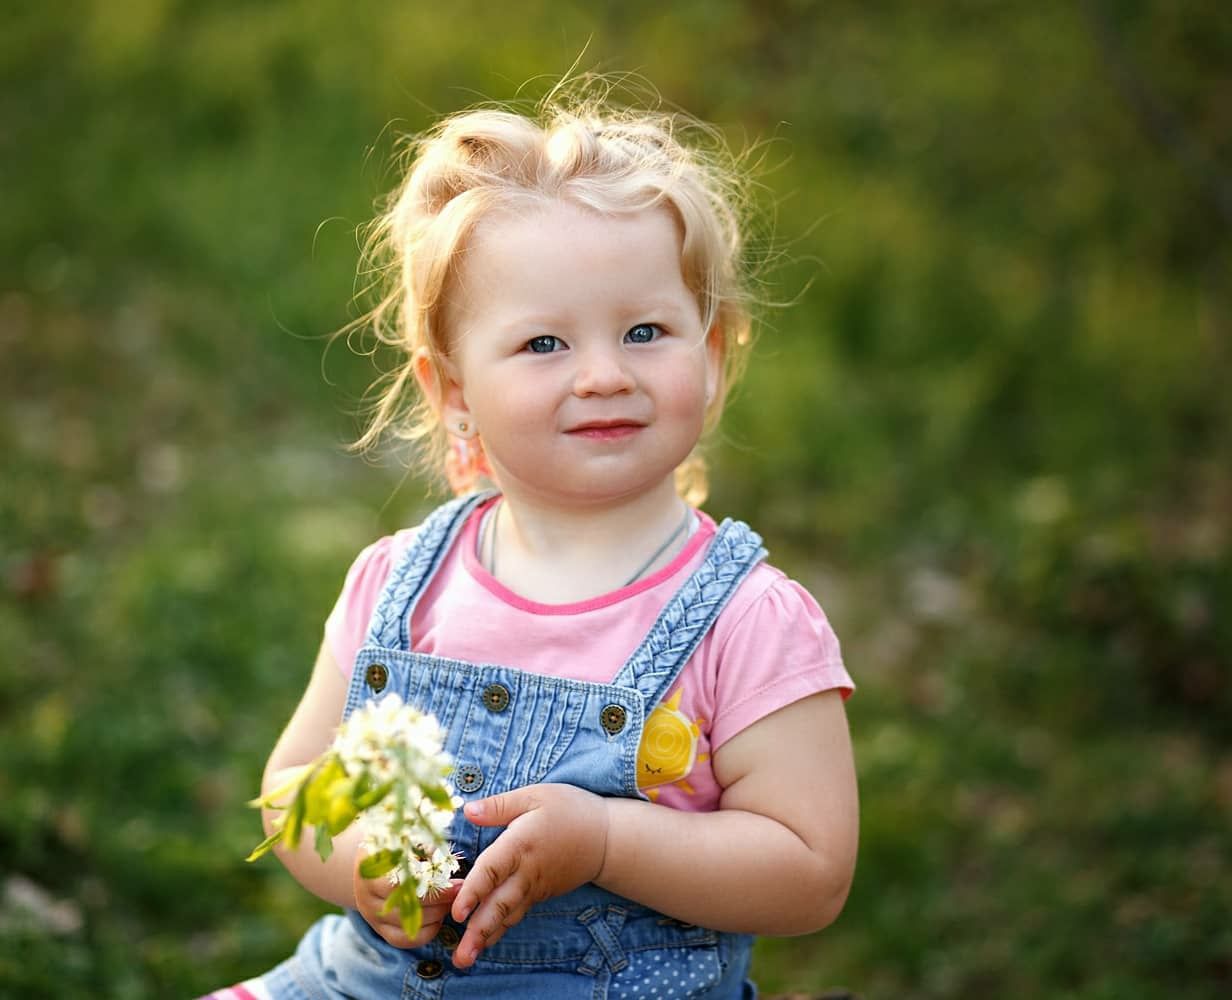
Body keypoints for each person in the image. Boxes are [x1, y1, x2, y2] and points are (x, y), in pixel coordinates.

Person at [204, 85, 858, 1000]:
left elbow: (810, 868)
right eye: (545, 343)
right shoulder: (400, 584)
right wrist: (362, 863)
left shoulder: (748, 621)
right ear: (452, 390)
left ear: (710, 354)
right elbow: (295, 785)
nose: (602, 375)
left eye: (645, 331)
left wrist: (605, 840)